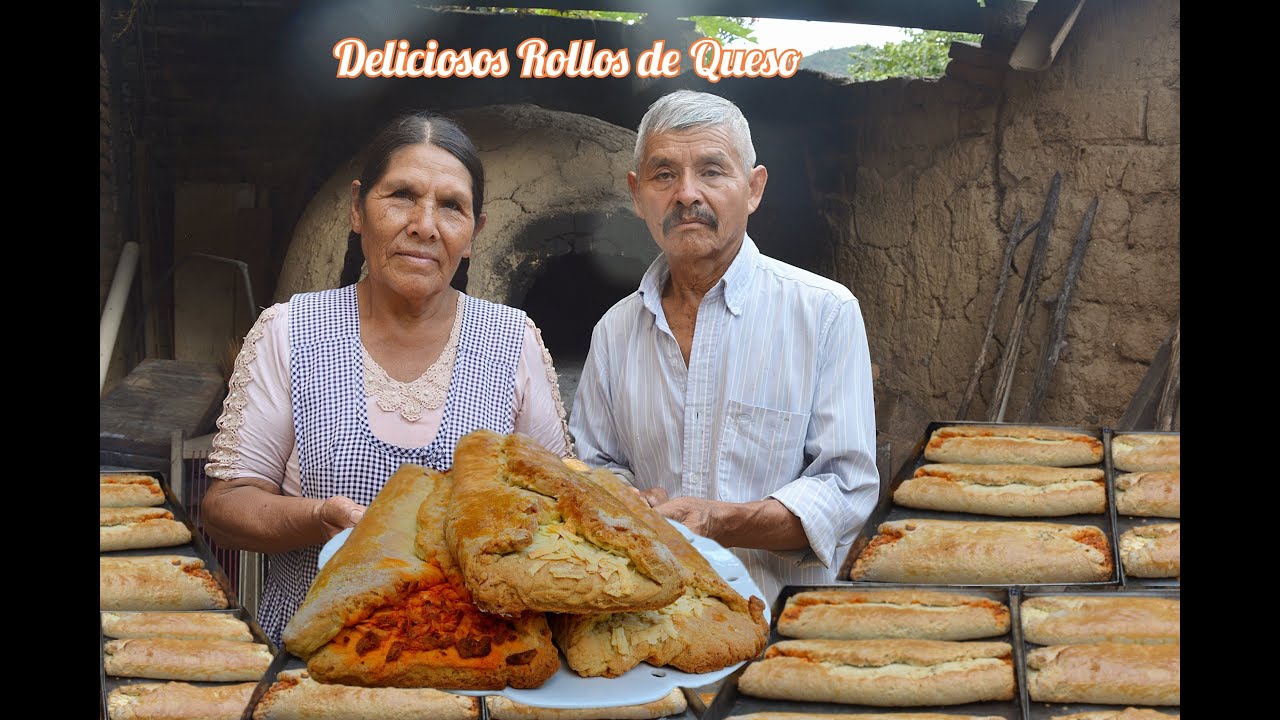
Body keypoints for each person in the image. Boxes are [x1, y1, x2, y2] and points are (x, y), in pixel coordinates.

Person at [201, 110, 572, 646]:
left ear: (474, 234)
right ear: (357, 209)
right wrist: (315, 518)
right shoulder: (293, 330)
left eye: (451, 206)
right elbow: (226, 504)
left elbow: (555, 503)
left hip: (470, 657)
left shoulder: (512, 341)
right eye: (401, 195)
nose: (424, 224)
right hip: (313, 659)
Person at [569, 90, 879, 606]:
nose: (687, 194)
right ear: (637, 193)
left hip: (776, 638)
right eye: (663, 174)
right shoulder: (615, 331)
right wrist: (626, 497)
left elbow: (845, 489)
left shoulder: (824, 312)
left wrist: (722, 521)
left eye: (712, 171)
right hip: (650, 629)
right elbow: (597, 464)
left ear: (753, 188)